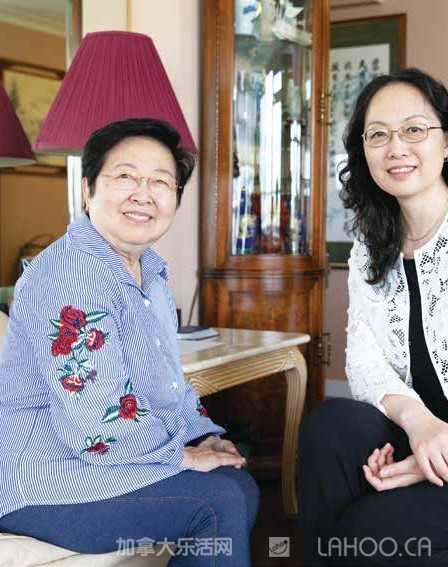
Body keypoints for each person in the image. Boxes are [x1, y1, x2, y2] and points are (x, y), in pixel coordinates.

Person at [299, 68, 448, 566]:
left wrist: (440, 456)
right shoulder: (370, 246)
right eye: (378, 135)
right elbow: (365, 363)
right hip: (425, 430)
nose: (396, 147)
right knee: (330, 426)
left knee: (370, 529)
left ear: (447, 141)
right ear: (364, 152)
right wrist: (419, 426)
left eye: (414, 129)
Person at [0, 118, 259, 566]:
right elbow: (95, 417)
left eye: (161, 181)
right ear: (87, 189)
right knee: (219, 501)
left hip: (102, 465)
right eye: (125, 176)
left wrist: (203, 437)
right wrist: (181, 457)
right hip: (48, 479)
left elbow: (169, 385)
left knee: (237, 483)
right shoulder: (71, 274)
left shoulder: (150, 272)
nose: (144, 194)